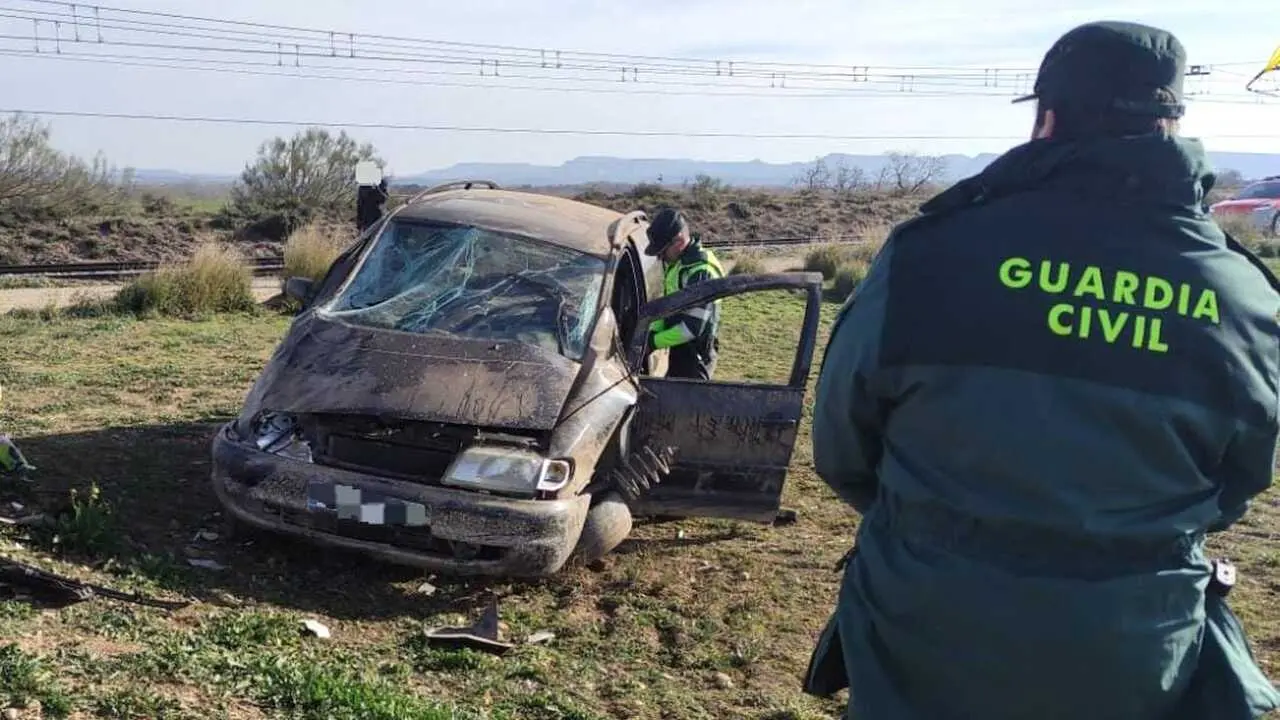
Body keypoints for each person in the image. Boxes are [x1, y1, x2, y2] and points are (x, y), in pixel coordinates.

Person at [803, 20, 1280, 720]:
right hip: (1133, 648)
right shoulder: (1241, 294)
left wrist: (943, 530)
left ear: (1047, 118)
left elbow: (842, 446)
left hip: (924, 632)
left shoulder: (928, 256)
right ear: (1172, 122)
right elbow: (1241, 480)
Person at [643, 207, 725, 380]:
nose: (660, 257)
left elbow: (692, 328)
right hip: (679, 348)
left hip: (695, 359)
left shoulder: (701, 272)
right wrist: (653, 329)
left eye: (662, 251)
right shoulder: (680, 263)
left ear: (678, 241)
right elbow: (668, 304)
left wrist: (652, 342)